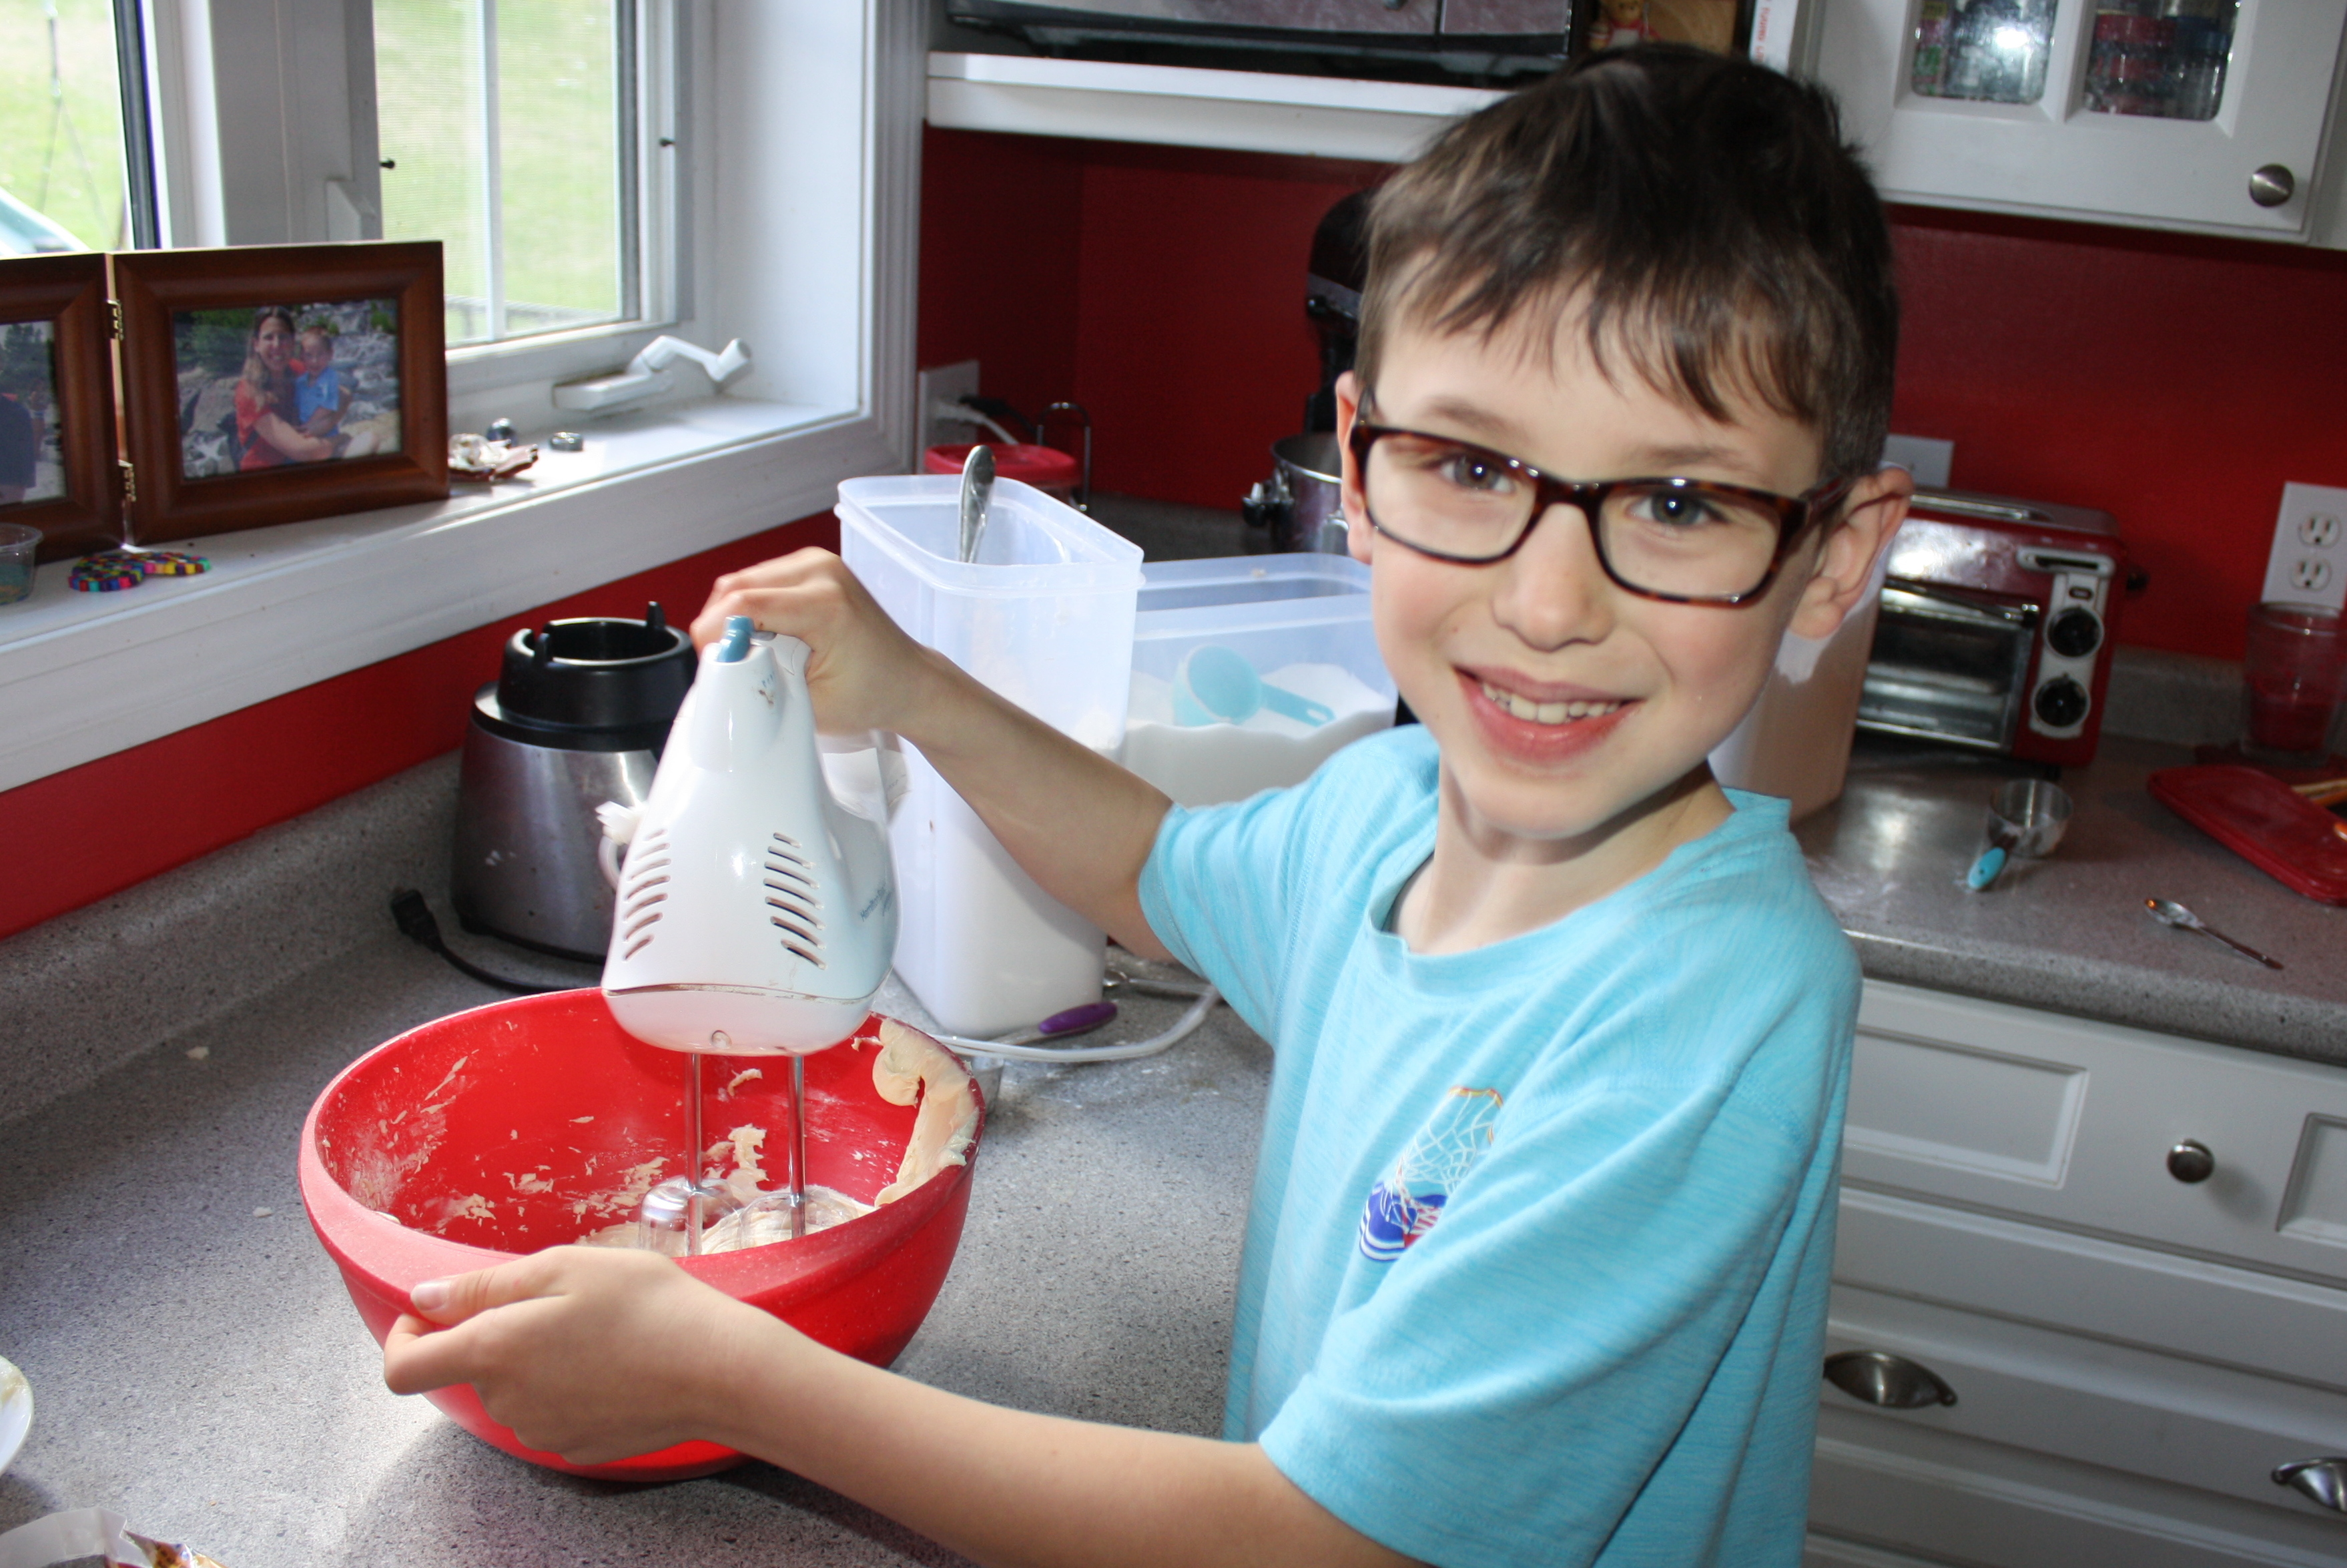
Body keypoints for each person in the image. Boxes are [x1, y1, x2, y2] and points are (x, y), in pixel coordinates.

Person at [380, 44, 1913, 1567]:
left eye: (1675, 501)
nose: (1547, 600)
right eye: (1466, 465)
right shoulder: (1388, 810)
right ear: (1359, 468)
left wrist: (729, 1374)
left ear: (1834, 556)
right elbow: (1145, 862)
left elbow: (1328, 1542)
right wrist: (915, 684)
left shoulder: (1704, 1012)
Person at [232, 307, 336, 469]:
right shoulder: (250, 391)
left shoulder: (296, 369)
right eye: (269, 337)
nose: (277, 345)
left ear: (293, 342)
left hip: (294, 460)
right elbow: (302, 451)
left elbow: (343, 393)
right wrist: (342, 438)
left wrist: (318, 425)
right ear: (256, 344)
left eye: (283, 337)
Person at [294, 324, 351, 439]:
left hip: (326, 433)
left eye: (320, 355)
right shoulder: (300, 382)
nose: (315, 361)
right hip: (304, 429)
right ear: (301, 356)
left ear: (330, 354)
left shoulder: (330, 378)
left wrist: (308, 425)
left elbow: (327, 407)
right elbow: (296, 407)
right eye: (309, 355)